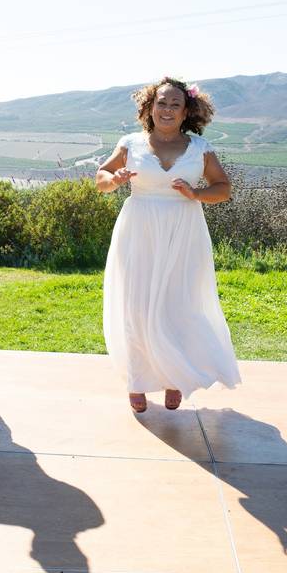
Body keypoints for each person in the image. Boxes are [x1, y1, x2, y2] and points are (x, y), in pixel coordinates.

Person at [95, 77, 241, 412]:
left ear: (186, 110)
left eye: (176, 104)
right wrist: (114, 180)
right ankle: (137, 380)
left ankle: (175, 377)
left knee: (178, 303)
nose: (168, 109)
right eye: (162, 102)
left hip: (183, 231)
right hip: (139, 230)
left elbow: (223, 188)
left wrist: (197, 194)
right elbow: (100, 178)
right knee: (136, 305)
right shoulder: (130, 144)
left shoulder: (200, 149)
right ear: (150, 107)